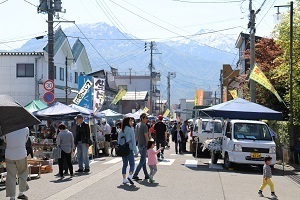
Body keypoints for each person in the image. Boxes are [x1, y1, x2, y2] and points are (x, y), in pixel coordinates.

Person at [4, 127, 30, 200]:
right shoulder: (26, 128)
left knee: (10, 176)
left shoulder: (6, 128)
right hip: (21, 153)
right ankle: (21, 193)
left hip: (9, 154)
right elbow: (25, 140)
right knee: (22, 173)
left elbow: (5, 140)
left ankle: (12, 197)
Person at [118, 117, 138, 185]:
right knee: (132, 164)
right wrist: (136, 151)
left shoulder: (121, 130)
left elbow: (118, 141)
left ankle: (124, 179)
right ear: (127, 122)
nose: (132, 122)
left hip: (123, 149)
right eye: (130, 121)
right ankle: (130, 176)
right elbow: (133, 141)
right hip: (129, 148)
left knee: (125, 164)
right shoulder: (130, 130)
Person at [133, 113, 150, 181]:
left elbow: (136, 136)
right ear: (142, 118)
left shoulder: (138, 125)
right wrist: (148, 144)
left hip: (139, 144)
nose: (147, 119)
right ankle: (135, 174)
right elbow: (146, 136)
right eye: (146, 118)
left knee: (143, 160)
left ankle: (146, 175)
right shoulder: (144, 126)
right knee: (142, 161)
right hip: (144, 145)